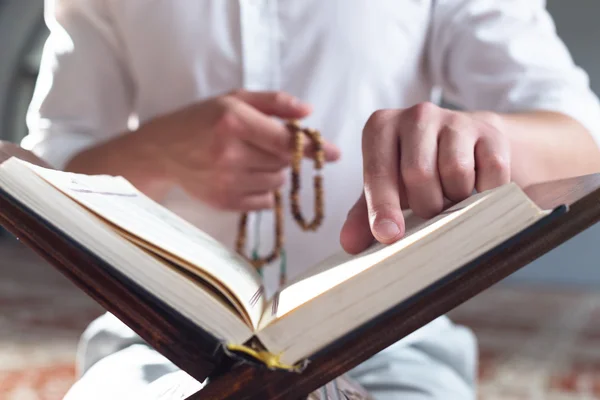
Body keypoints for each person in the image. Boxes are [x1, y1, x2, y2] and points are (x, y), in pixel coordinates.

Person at [21, 0, 600, 399]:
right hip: (154, 336)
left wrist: (482, 140)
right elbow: (48, 173)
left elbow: (584, 140)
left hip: (394, 335)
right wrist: (154, 151)